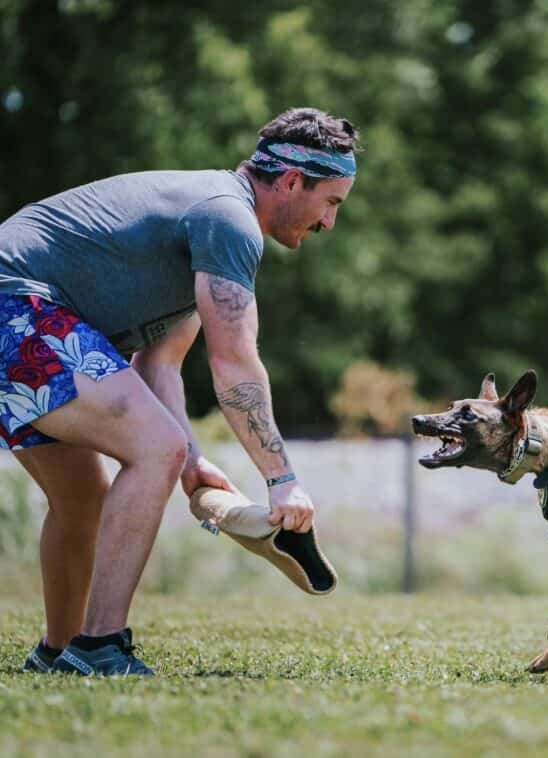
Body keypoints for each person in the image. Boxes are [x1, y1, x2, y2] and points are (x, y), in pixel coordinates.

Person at [0, 107, 358, 676]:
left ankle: (59, 649)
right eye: (331, 202)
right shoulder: (229, 219)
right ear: (292, 181)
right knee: (154, 449)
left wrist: (192, 461)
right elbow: (236, 365)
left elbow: (159, 362)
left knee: (85, 494)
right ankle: (98, 649)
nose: (329, 223)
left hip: (20, 315)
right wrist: (282, 481)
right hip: (15, 305)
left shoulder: (208, 224)